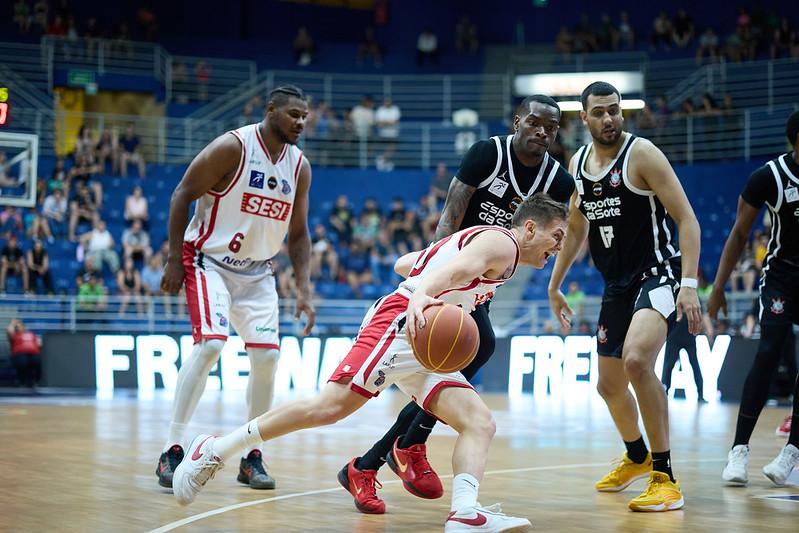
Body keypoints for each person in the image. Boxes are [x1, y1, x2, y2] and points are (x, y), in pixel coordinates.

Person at [172, 193, 568, 533]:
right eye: (557, 236)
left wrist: (428, 276)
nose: (558, 248)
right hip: (404, 323)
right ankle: (214, 450)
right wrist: (421, 295)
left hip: (426, 338)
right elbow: (451, 271)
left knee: (479, 422)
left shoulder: (488, 245)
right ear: (530, 228)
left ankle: (464, 513)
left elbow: (406, 262)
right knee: (328, 408)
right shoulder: (504, 245)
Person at [340, 94, 576, 514]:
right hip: (456, 268)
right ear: (517, 121)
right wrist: (429, 283)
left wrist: (554, 285)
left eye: (552, 127)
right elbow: (452, 211)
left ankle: (379, 458)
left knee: (471, 353)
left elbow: (560, 234)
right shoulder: (488, 153)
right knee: (477, 346)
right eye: (535, 122)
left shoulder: (558, 180)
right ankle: (399, 447)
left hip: (487, 276)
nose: (542, 131)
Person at [549, 82, 702, 512]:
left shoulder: (643, 155)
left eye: (614, 110)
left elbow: (687, 219)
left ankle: (665, 476)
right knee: (609, 386)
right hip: (615, 285)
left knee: (636, 360)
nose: (609, 118)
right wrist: (554, 284)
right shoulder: (577, 165)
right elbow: (577, 227)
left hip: (659, 274)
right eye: (599, 112)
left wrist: (688, 285)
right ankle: (636, 456)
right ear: (584, 119)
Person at [155, 85, 316, 492]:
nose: (300, 122)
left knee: (268, 359)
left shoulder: (299, 167)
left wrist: (304, 289)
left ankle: (250, 456)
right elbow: (182, 194)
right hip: (209, 260)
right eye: (293, 114)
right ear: (271, 111)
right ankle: (172, 449)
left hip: (259, 272)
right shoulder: (234, 147)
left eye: (304, 117)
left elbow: (298, 235)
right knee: (211, 345)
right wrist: (175, 259)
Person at [709, 110, 799, 487]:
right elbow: (739, 234)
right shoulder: (769, 177)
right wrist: (717, 288)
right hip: (782, 276)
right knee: (768, 353)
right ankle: (739, 450)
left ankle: (791, 452)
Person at [661, 318, 704, 402]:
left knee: (695, 366)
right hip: (674, 337)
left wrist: (708, 327)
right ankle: (664, 393)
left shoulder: (694, 305)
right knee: (668, 366)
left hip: (689, 337)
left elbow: (702, 315)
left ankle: (700, 394)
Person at [7, 319, 41, 387]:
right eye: (16, 327)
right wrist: (13, 323)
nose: (18, 327)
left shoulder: (31, 334)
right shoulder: (14, 335)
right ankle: (22, 381)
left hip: (33, 354)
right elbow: (9, 331)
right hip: (19, 354)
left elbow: (39, 344)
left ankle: (35, 381)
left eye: (20, 326)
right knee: (23, 361)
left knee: (37, 361)